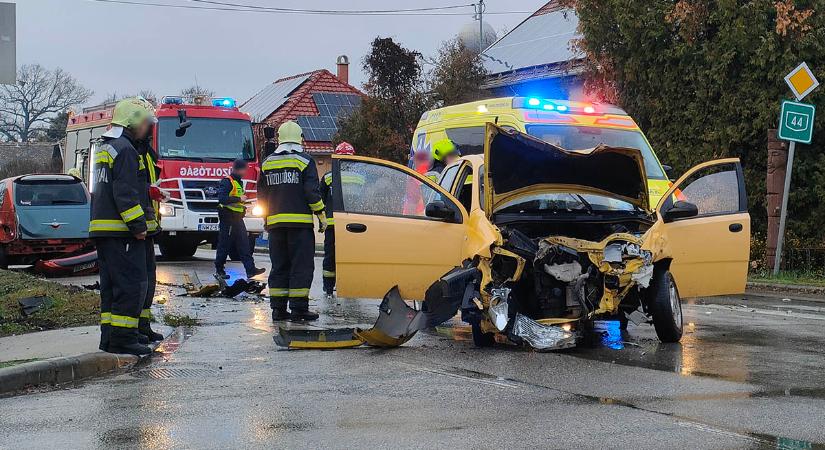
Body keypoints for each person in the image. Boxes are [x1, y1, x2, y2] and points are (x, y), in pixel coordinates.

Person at [89, 97, 156, 356]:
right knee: (131, 284)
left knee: (111, 287)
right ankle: (124, 338)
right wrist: (138, 226)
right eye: (146, 123)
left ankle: (110, 337)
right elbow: (125, 192)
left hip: (104, 230)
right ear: (134, 121)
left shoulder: (107, 146)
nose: (148, 128)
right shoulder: (126, 149)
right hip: (122, 232)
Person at [258, 121, 325, 321]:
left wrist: (266, 219)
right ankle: (298, 309)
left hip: (275, 226)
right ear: (300, 137)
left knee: (279, 266)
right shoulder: (305, 161)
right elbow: (311, 192)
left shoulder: (268, 162)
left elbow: (261, 195)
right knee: (301, 266)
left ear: (279, 138)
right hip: (300, 226)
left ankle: (278, 310)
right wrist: (321, 215)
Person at [136, 126, 165, 343]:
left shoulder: (146, 152)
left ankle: (143, 326)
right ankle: (134, 329)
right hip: (135, 229)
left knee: (149, 280)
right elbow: (131, 188)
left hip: (148, 226)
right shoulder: (132, 151)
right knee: (139, 281)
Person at [214, 159, 266, 280]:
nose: (246, 171)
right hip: (228, 217)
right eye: (245, 169)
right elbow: (222, 199)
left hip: (237, 218)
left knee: (244, 244)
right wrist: (239, 199)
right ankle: (219, 270)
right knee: (224, 244)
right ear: (240, 169)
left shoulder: (238, 182)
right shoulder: (228, 181)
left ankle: (250, 270)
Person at [319, 142, 356, 298]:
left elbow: (320, 199)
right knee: (352, 256)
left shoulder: (328, 177)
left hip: (332, 224)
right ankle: (350, 287)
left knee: (330, 257)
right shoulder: (360, 177)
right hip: (354, 226)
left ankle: (328, 288)